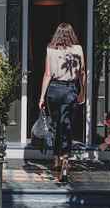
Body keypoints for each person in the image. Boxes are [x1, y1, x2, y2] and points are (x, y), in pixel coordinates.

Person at [37, 23, 85, 182]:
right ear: (72, 34)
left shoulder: (50, 50)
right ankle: (65, 159)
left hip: (54, 91)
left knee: (57, 125)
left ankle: (57, 159)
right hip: (70, 89)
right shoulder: (78, 49)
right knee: (67, 125)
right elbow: (81, 73)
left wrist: (42, 96)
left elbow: (47, 74)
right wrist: (83, 92)